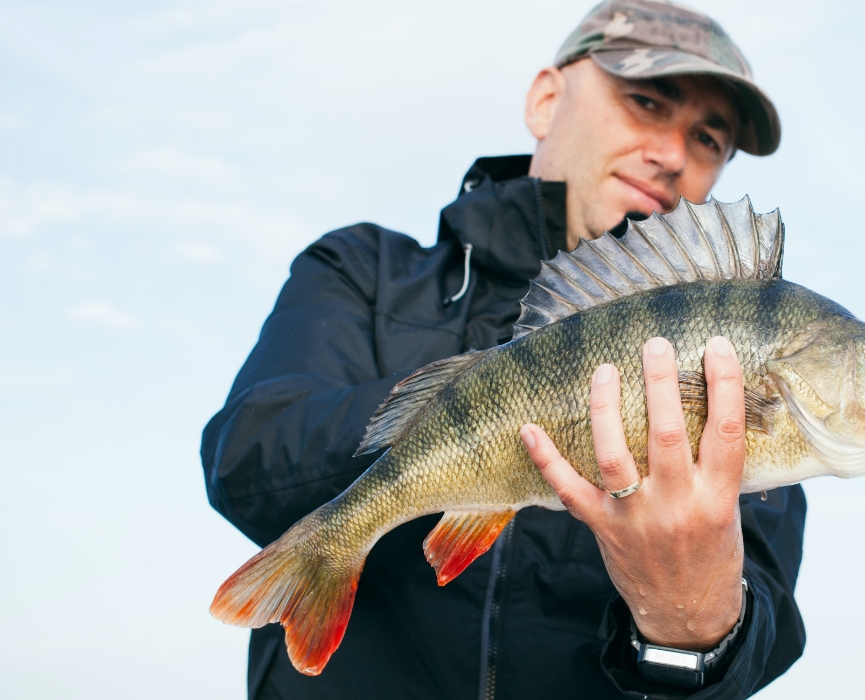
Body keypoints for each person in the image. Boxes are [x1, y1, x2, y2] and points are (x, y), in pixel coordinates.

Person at [201, 2, 806, 698]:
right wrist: (495, 405)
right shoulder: (361, 270)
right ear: (546, 101)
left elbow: (761, 634)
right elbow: (247, 458)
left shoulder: (731, 357)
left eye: (708, 139)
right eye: (645, 100)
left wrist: (693, 623)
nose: (672, 154)